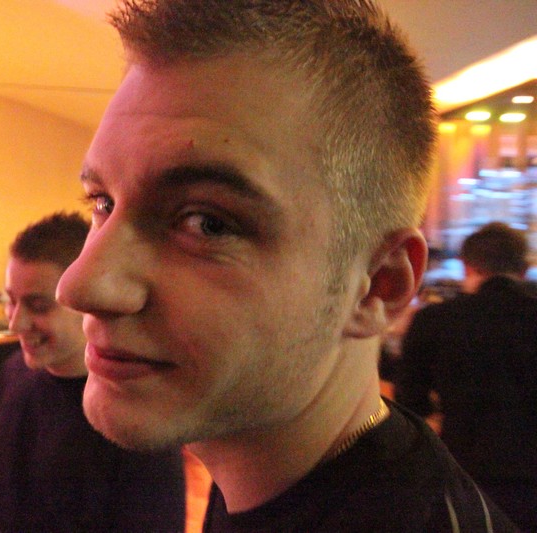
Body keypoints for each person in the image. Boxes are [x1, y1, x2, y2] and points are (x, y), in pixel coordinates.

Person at [55, 1, 518, 530]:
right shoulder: (262, 477)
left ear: (378, 285)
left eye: (208, 223)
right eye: (102, 203)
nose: (80, 285)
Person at [0, 212, 186, 532]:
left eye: (38, 306)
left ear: (89, 302)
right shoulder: (15, 372)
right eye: (11, 301)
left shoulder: (139, 415)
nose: (15, 323)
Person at [396, 221, 537, 531]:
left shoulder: (436, 320)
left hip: (465, 475)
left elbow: (409, 402)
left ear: (467, 267)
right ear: (524, 269)